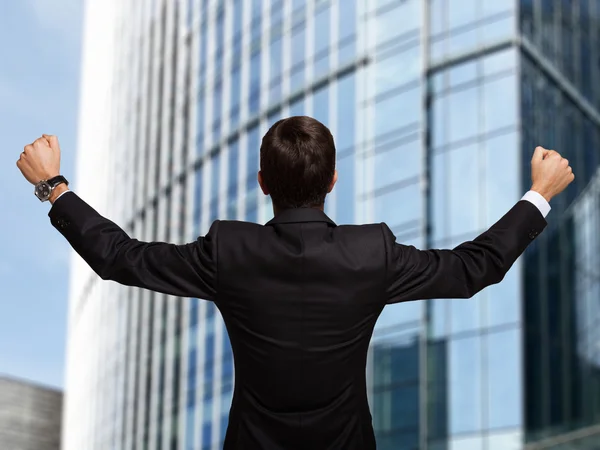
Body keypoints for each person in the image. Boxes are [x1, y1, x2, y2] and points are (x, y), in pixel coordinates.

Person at [17, 116, 574, 449]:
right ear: (333, 180)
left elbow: (121, 258)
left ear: (262, 182)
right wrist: (539, 195)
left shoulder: (228, 251)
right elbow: (474, 268)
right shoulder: (371, 252)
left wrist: (54, 187)